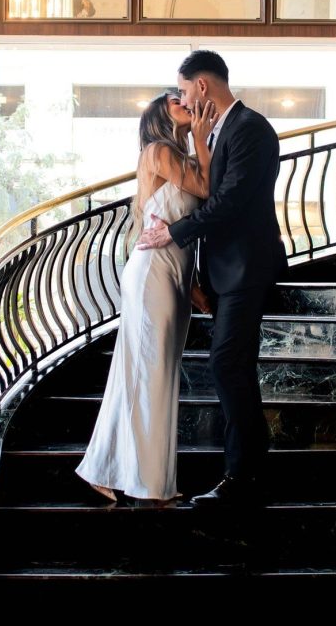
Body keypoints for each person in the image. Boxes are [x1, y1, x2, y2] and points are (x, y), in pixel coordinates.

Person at [137, 50, 287, 505]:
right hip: (224, 272)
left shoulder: (251, 129)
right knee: (233, 365)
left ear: (201, 86)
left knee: (227, 364)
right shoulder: (214, 133)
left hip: (246, 268)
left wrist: (174, 231)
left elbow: (230, 200)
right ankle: (250, 473)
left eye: (183, 90)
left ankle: (243, 478)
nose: (181, 98)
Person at [75, 89, 214, 504]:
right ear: (159, 115)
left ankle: (106, 469)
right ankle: (150, 484)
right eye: (176, 100)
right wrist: (204, 138)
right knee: (148, 374)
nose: (185, 102)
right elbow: (206, 191)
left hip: (171, 273)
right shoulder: (158, 151)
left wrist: (192, 287)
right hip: (153, 273)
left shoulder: (181, 159)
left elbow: (174, 221)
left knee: (150, 373)